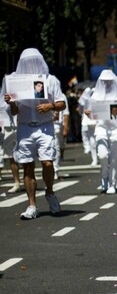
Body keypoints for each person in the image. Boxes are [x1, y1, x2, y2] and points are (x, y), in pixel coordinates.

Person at [2, 48, 66, 220]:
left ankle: (50, 192)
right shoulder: (16, 81)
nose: (30, 65)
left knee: (47, 163)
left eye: (34, 61)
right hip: (25, 127)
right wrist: (11, 102)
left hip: (44, 127)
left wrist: (50, 106)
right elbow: (14, 112)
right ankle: (32, 205)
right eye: (26, 62)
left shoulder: (50, 80)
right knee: (27, 165)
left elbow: (62, 103)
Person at [86, 70, 117, 194]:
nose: (107, 84)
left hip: (115, 128)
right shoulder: (96, 95)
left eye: (109, 81)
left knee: (114, 158)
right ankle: (104, 177)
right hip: (101, 128)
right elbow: (91, 113)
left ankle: (112, 183)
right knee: (103, 155)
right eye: (104, 81)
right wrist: (88, 113)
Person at [78, 87, 98, 166]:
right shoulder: (86, 99)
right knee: (91, 139)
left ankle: (97, 157)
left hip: (96, 120)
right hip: (89, 120)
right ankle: (94, 158)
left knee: (94, 139)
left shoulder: (91, 98)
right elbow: (81, 109)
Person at [53, 99, 69, 179]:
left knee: (56, 148)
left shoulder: (61, 97)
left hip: (56, 125)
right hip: (43, 125)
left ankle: (55, 170)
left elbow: (66, 113)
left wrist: (66, 127)